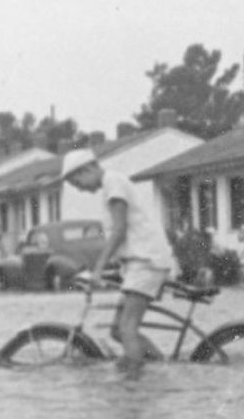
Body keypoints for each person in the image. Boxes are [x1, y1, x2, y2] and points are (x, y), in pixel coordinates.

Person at [60, 148, 177, 377]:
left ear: (89, 168)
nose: (81, 189)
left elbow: (119, 230)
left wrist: (99, 269)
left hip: (147, 261)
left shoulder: (113, 182)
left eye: (78, 182)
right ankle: (163, 368)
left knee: (126, 328)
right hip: (139, 262)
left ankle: (132, 385)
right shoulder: (111, 185)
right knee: (116, 331)